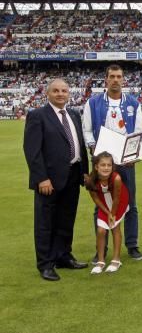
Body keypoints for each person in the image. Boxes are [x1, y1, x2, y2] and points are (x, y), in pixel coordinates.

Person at [24, 79, 89, 281]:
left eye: (64, 91)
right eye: (56, 91)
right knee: (45, 223)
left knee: (66, 219)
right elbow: (32, 151)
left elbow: (80, 145)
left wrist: (85, 172)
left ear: (69, 93)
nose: (60, 94)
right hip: (49, 179)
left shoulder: (74, 115)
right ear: (48, 93)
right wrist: (41, 178)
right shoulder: (37, 116)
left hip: (73, 174)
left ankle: (63, 256)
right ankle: (45, 264)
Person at [83, 64, 142, 261]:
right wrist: (94, 149)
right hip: (103, 164)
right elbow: (87, 130)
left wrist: (133, 155)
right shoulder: (93, 103)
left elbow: (137, 132)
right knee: (100, 203)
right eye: (112, 76)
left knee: (131, 204)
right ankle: (102, 248)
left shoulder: (134, 104)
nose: (116, 80)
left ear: (123, 79)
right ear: (106, 79)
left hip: (125, 162)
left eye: (119, 76)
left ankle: (132, 245)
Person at [86, 152, 129, 274]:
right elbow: (96, 199)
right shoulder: (90, 180)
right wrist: (107, 212)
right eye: (103, 165)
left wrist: (113, 214)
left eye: (109, 165)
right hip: (103, 204)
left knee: (115, 227)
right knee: (101, 230)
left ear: (112, 166)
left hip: (119, 202)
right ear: (96, 167)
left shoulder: (116, 178)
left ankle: (116, 259)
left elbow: (116, 198)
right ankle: (101, 261)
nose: (106, 168)